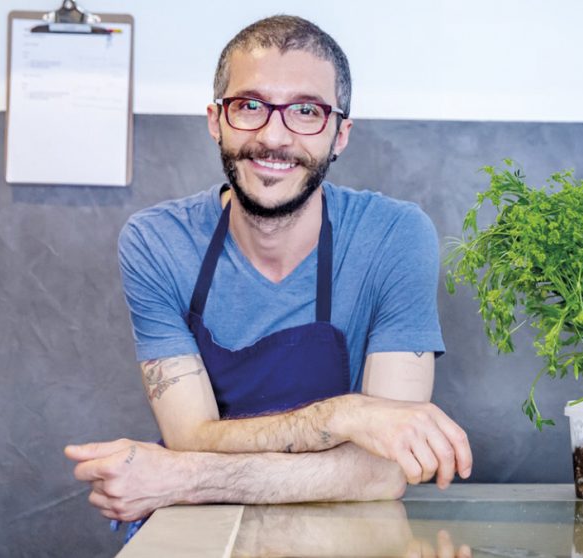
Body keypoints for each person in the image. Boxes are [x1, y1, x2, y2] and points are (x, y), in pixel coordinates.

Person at [65, 15, 472, 524]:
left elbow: (383, 474)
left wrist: (183, 476)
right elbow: (190, 436)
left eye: (306, 110)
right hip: (198, 530)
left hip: (341, 535)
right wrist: (345, 415)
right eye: (250, 105)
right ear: (216, 120)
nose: (273, 136)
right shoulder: (158, 242)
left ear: (340, 134)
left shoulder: (394, 236)